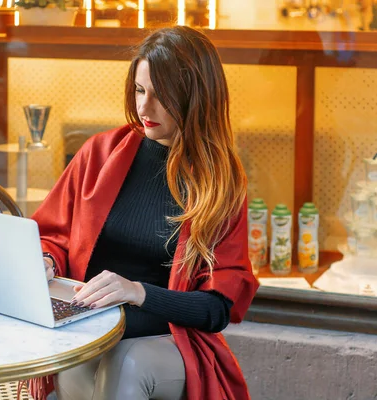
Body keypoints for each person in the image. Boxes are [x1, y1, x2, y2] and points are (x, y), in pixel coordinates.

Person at [31, 25, 259, 400]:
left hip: (167, 339)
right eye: (140, 90)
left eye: (161, 96)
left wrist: (137, 293)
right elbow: (53, 234)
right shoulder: (100, 154)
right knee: (78, 360)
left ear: (195, 98)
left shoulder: (222, 184)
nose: (144, 107)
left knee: (125, 361)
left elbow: (218, 308)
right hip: (88, 327)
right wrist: (46, 260)